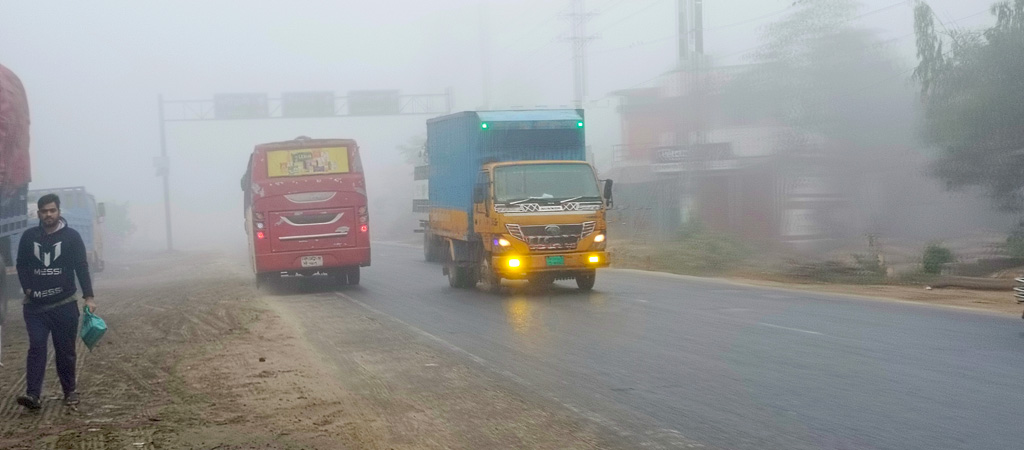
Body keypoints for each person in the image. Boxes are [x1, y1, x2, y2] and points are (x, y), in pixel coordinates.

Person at [15, 193, 96, 410]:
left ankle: (70, 391)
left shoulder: (72, 237)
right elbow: (21, 265)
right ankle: (32, 395)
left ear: (58, 211)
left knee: (65, 350)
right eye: (44, 211)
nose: (48, 214)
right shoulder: (29, 237)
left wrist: (88, 297)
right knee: (37, 347)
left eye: (52, 210)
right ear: (39, 213)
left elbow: (81, 267)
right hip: (35, 307)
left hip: (65, 305)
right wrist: (28, 288)